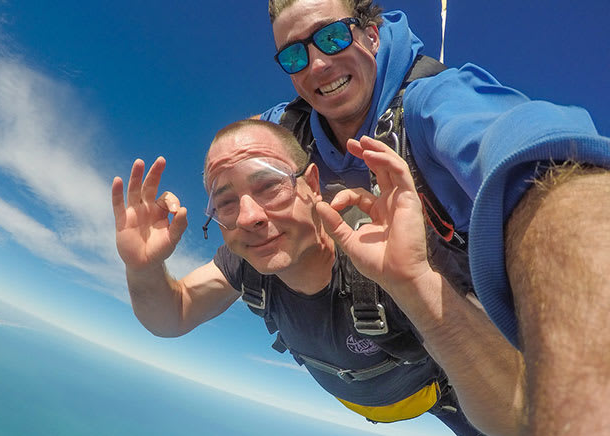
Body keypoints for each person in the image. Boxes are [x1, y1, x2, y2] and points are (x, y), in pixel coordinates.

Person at [260, 1, 610, 434]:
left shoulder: (434, 104)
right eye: (294, 55)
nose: (316, 64)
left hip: (468, 362)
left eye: (332, 37)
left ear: (371, 34)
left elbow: (538, 164)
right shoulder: (292, 128)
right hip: (399, 361)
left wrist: (586, 397)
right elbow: (246, 140)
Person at [112, 119, 523, 435]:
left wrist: (415, 282)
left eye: (270, 187)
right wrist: (143, 267)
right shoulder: (247, 267)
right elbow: (173, 315)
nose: (251, 217)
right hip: (371, 397)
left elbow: (519, 411)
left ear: (311, 185)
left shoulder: (383, 253)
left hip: (442, 395)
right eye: (226, 203)